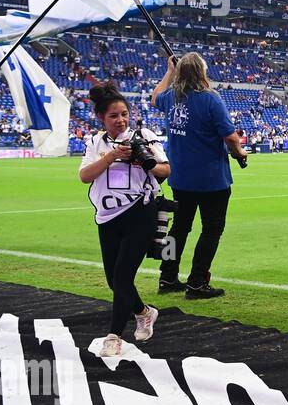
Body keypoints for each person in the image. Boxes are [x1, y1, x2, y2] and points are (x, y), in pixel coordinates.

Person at [79, 81, 170, 357]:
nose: (120, 120)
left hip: (141, 213)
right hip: (107, 217)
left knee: (122, 276)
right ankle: (144, 312)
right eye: (113, 116)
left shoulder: (143, 136)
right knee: (114, 280)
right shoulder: (96, 142)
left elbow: (165, 171)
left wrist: (145, 163)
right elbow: (85, 176)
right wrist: (111, 157)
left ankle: (114, 336)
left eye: (124, 114)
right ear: (101, 118)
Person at [151, 52, 247, 300]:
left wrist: (169, 72)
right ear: (202, 72)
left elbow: (154, 98)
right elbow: (230, 137)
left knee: (178, 230)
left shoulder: (172, 97)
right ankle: (197, 282)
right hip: (211, 180)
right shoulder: (211, 99)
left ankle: (167, 276)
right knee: (211, 230)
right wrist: (239, 154)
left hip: (181, 178)